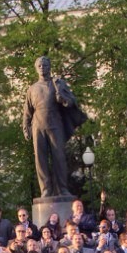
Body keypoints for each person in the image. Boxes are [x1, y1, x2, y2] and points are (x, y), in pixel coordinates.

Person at [23, 55, 80, 198]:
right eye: (39, 66)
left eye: (45, 65)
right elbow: (27, 112)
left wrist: (63, 99)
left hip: (55, 124)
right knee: (40, 159)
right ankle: (46, 189)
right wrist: (26, 128)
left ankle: (62, 188)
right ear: (36, 69)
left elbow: (71, 101)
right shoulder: (32, 89)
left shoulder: (58, 84)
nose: (42, 68)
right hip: (38, 126)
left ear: (50, 67)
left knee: (59, 157)